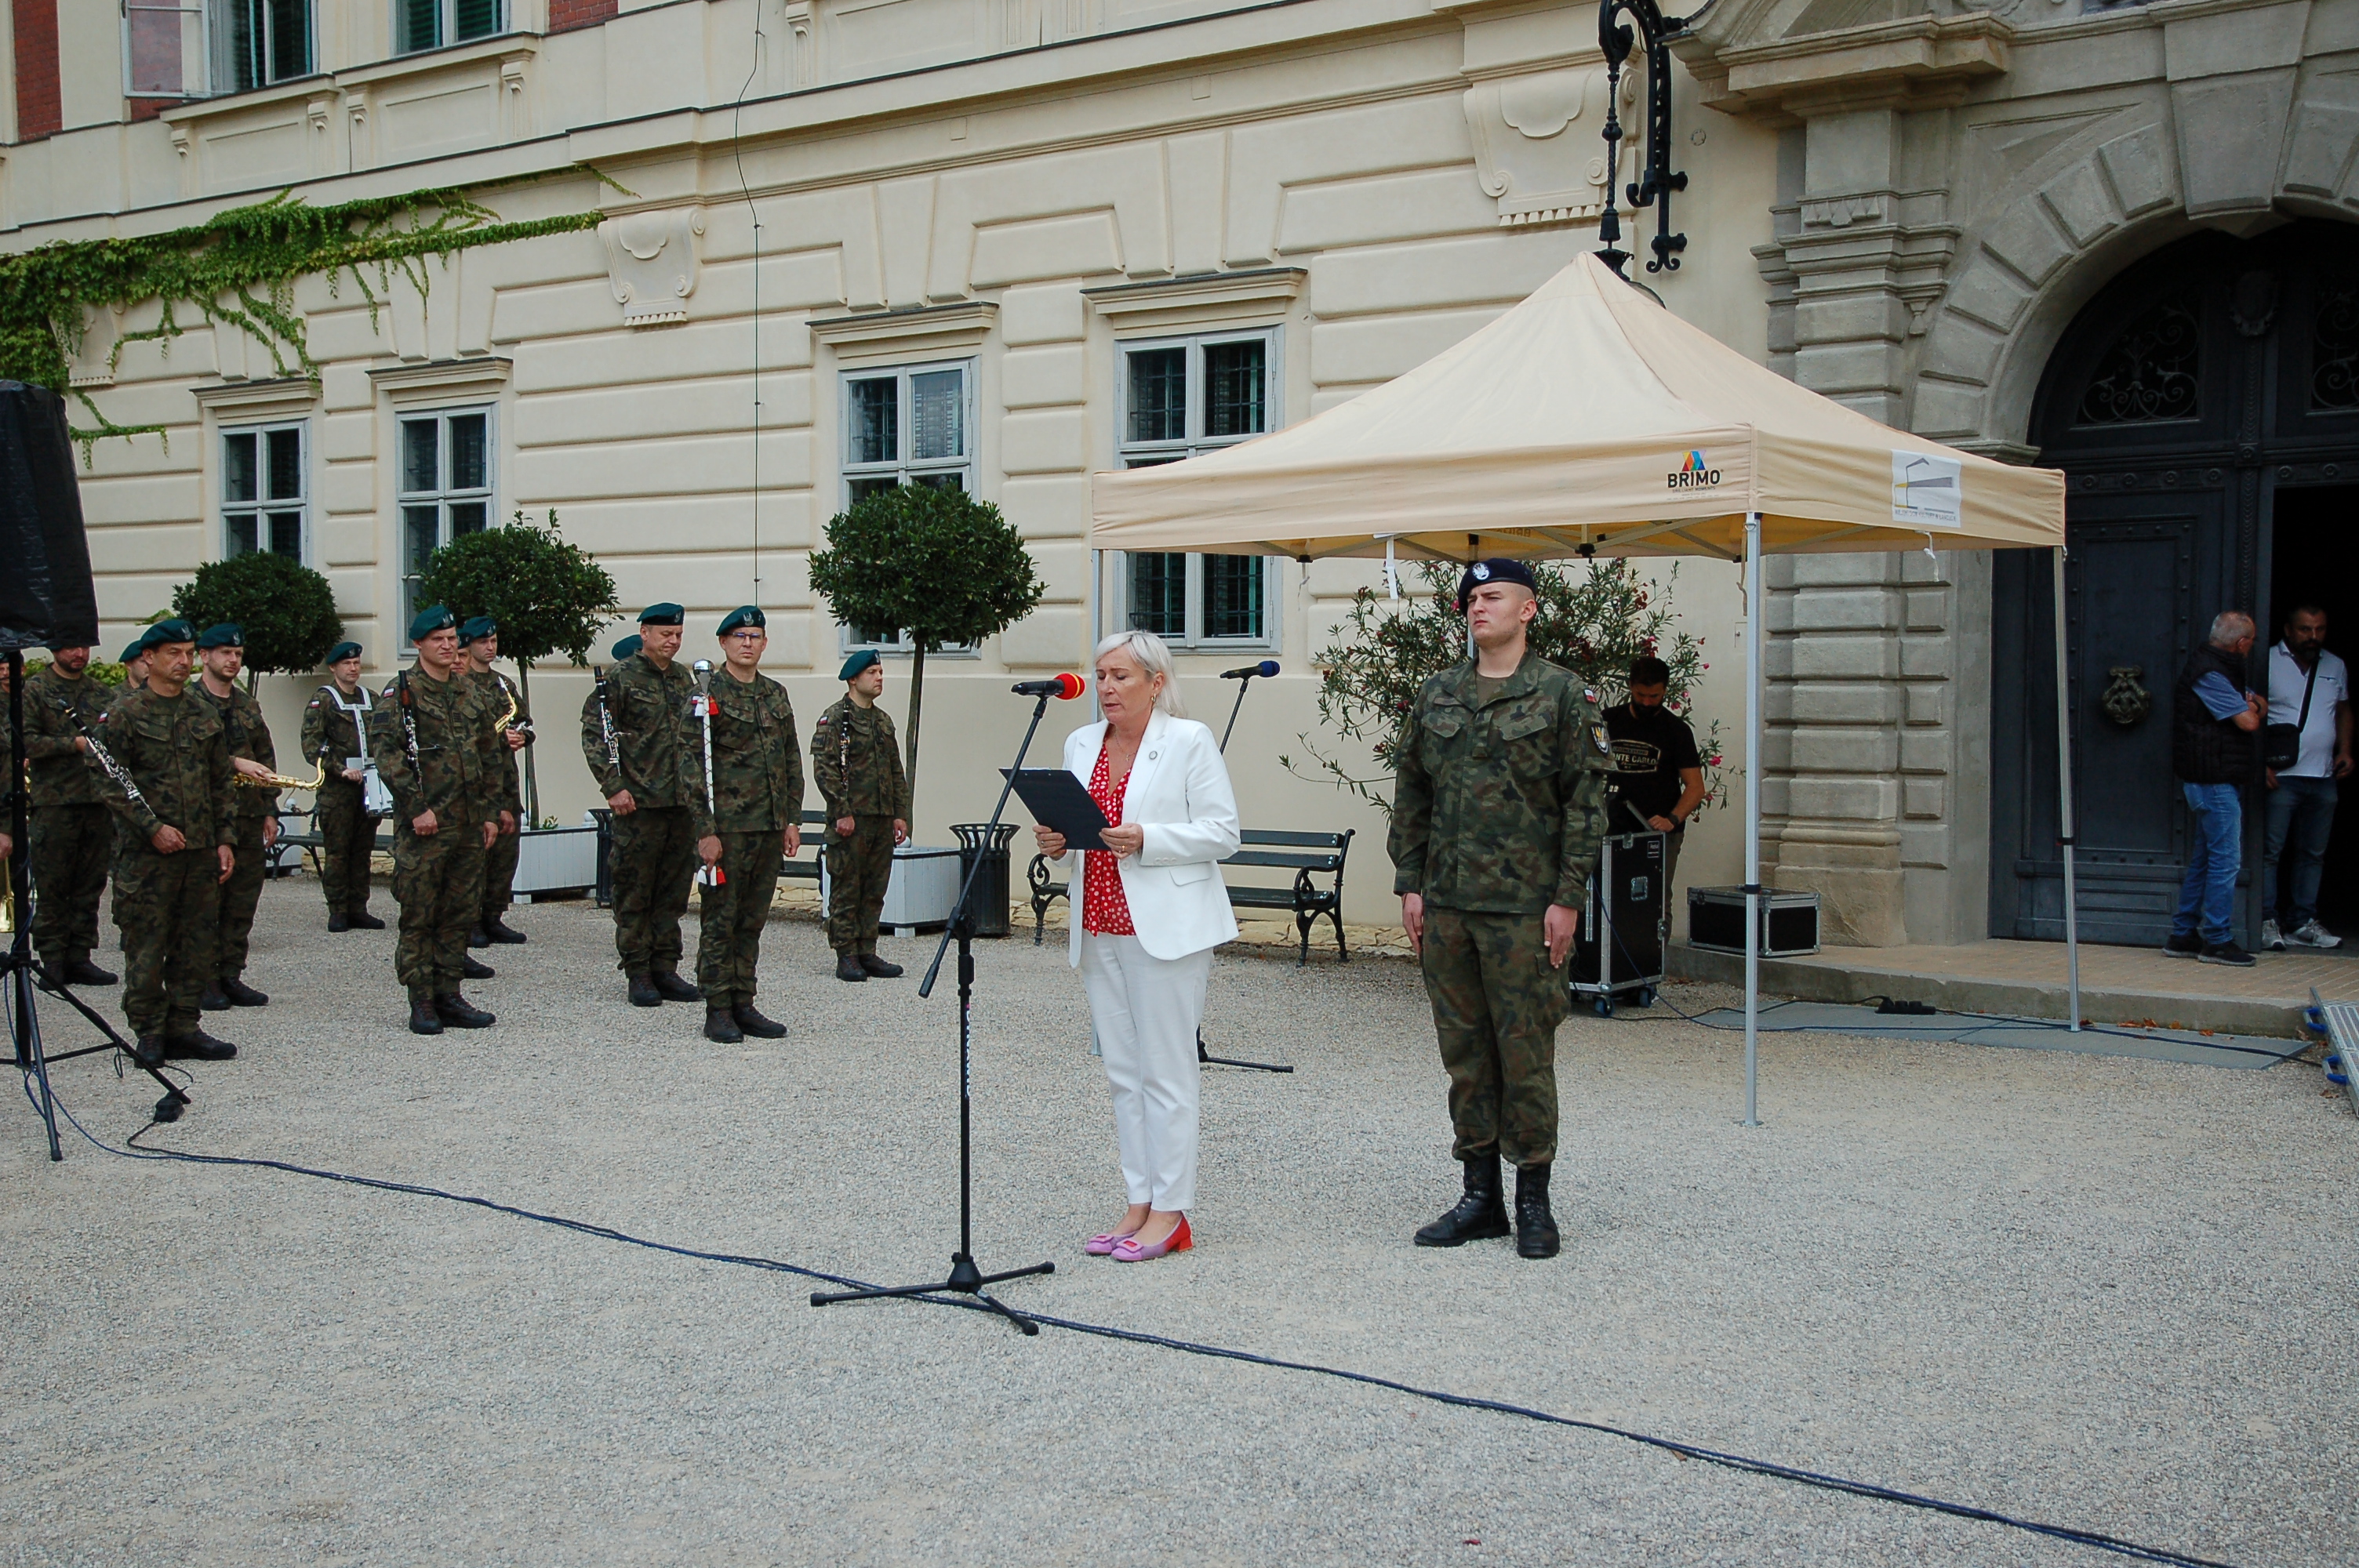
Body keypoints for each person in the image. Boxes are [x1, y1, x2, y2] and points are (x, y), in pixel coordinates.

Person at [1390, 559, 1610, 1261]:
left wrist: (1567, 898)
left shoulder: (1562, 696)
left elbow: (1585, 806)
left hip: (1525, 911)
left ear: (1528, 610)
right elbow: (1413, 792)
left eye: (1493, 597)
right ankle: (1479, 1196)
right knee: (1465, 1055)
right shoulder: (1438, 694)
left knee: (1525, 1054)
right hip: (1449, 906)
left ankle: (1534, 1200)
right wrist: (1411, 882)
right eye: (1471, 600)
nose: (1477, 608)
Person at [1033, 630, 1239, 1263]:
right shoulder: (1080, 742)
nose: (1107, 688)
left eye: (1121, 676)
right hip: (1098, 920)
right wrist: (1057, 839)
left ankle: (1173, 1211)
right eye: (1101, 675)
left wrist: (1149, 837)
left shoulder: (1188, 739)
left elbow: (1222, 831)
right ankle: (1139, 1200)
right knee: (1124, 1072)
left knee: (1167, 1072)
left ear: (1156, 682)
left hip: (1166, 926)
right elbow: (1081, 824)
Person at [88, 620, 238, 1065]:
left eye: (189, 653)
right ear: (148, 658)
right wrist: (151, 827)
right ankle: (150, 1030)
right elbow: (109, 779)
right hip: (148, 855)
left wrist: (225, 839)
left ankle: (185, 1026)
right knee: (147, 946)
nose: (184, 662)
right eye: (174, 653)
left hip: (198, 852)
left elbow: (220, 783)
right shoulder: (124, 713)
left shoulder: (202, 713)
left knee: (196, 945)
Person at [374, 604, 502, 1036]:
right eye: (438, 641)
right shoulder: (402, 692)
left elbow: (488, 754)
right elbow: (389, 757)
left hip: (467, 823)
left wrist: (488, 813)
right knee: (420, 913)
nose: (448, 646)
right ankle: (422, 999)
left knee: (459, 912)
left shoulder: (469, 692)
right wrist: (415, 808)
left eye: (452, 639)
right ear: (419, 644)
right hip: (427, 824)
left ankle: (450, 992)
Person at [687, 606, 804, 1043]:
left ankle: (744, 1001)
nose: (747, 643)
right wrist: (705, 829)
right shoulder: (705, 691)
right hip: (727, 830)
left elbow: (790, 758)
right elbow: (691, 764)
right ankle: (717, 1007)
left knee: (752, 920)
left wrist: (791, 817)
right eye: (739, 636)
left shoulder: (775, 694)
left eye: (755, 636)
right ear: (723, 643)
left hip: (768, 826)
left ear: (765, 643)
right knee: (721, 918)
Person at [580, 605, 700, 1007]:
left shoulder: (685, 678)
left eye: (678, 634)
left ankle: (666, 967)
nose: (673, 640)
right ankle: (638, 970)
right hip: (639, 803)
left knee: (672, 890)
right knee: (635, 890)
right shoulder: (621, 678)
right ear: (645, 633)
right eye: (665, 633)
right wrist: (612, 786)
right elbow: (596, 732)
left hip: (680, 802)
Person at [190, 622, 281, 1010]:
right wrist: (234, 763)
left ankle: (230, 973)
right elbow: (189, 759)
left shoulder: (246, 704)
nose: (232, 660)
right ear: (204, 656)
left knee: (243, 899)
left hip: (246, 815)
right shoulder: (187, 703)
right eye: (225, 653)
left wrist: (269, 808)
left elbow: (265, 757)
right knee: (207, 901)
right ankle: (203, 977)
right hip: (205, 817)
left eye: (238, 655)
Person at [2168, 610, 2264, 966]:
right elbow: (2251, 719)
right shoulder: (2210, 672)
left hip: (2213, 778)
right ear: (2242, 643)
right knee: (2226, 862)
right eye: (2251, 642)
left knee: (2205, 859)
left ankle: (2182, 934)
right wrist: (2250, 705)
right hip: (2213, 781)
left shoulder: (2219, 667)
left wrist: (2249, 702)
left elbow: (2254, 704)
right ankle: (2217, 940)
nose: (2252, 647)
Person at [22, 642, 118, 985]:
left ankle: (80, 955)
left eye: (84, 647)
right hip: (55, 802)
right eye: (70, 647)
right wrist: (73, 744)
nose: (79, 653)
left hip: (95, 800)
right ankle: (52, 959)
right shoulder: (35, 689)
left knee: (90, 882)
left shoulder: (100, 692)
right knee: (53, 884)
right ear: (54, 649)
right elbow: (26, 741)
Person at [812, 649, 910, 982]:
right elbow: (824, 769)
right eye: (872, 672)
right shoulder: (836, 718)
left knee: (874, 887)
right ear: (853, 679)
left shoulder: (883, 721)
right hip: (851, 820)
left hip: (880, 819)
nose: (879, 678)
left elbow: (896, 771)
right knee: (846, 887)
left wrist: (900, 813)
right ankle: (846, 953)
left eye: (881, 672)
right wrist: (841, 811)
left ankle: (867, 949)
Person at [2260, 604, 2351, 950]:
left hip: (2322, 776)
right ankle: (2266, 920)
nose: (2313, 637)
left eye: (2319, 629)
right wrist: (2260, 764)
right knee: (2270, 852)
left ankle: (2302, 921)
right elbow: (2248, 713)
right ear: (2288, 630)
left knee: (2313, 853)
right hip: (2282, 776)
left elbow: (2343, 709)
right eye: (2305, 629)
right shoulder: (2265, 661)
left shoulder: (2335, 665)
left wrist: (2345, 750)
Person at [300, 641, 387, 932]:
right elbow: (313, 745)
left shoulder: (371, 698)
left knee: (363, 849)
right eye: (347, 664)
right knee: (338, 850)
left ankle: (359, 907)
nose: (353, 668)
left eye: (356, 663)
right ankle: (337, 909)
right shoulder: (324, 700)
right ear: (334, 667)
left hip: (368, 787)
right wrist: (339, 769)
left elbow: (384, 735)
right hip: (338, 791)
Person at [1602, 655, 1706, 893]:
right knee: (1608, 893)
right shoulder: (1608, 721)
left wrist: (1672, 819)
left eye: (1654, 696)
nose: (1647, 703)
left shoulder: (1677, 731)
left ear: (1665, 691)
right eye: (1641, 695)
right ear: (1630, 687)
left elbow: (1695, 787)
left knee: (1654, 898)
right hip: (1611, 828)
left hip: (1657, 833)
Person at [459, 615, 532, 947]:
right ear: (470, 646)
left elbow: (524, 721)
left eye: (494, 642)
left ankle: (493, 916)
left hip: (507, 780)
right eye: (483, 643)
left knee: (506, 853)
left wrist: (523, 736)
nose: (490, 648)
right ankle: (470, 919)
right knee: (478, 853)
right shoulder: (461, 681)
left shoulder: (503, 684)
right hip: (478, 782)